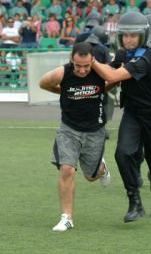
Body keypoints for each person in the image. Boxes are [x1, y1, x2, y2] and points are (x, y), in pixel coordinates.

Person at [91, 12, 151, 222]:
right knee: (123, 153)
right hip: (132, 112)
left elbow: (113, 76)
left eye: (133, 35)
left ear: (143, 34)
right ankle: (135, 201)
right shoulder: (126, 54)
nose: (128, 39)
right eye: (125, 35)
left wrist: (92, 62)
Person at [39, 42, 110, 231]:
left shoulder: (101, 72)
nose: (82, 70)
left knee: (91, 175)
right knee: (67, 169)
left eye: (86, 66)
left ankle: (102, 169)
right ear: (72, 59)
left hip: (95, 130)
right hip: (68, 129)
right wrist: (62, 91)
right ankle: (66, 217)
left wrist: (101, 90)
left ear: (92, 60)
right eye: (78, 65)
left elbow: (113, 80)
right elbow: (43, 83)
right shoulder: (62, 73)